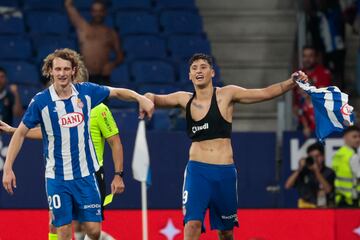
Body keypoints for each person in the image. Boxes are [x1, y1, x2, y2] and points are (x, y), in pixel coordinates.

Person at [144, 53, 309, 240]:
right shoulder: (184, 99)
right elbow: (155, 98)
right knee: (192, 224)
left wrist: (291, 82)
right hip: (198, 172)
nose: (199, 70)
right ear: (189, 75)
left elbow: (264, 93)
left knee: (226, 232)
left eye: (203, 67)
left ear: (212, 72)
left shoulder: (226, 94)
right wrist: (146, 98)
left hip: (225, 173)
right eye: (194, 68)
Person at [2, 48, 153, 240]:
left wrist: (140, 98)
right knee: (63, 230)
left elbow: (117, 92)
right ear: (50, 71)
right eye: (57, 69)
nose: (62, 73)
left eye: (66, 69)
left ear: (73, 70)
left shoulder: (87, 92)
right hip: (57, 178)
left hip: (86, 176)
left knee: (93, 231)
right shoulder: (41, 101)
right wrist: (8, 168)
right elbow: (21, 133)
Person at [64, 0, 124, 85]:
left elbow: (120, 56)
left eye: (100, 11)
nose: (97, 14)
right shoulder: (83, 28)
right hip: (84, 77)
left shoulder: (111, 33)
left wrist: (112, 65)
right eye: (95, 11)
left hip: (102, 78)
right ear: (91, 12)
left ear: (104, 12)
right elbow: (68, 5)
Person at [293, 46, 332, 137]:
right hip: (303, 119)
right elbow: (295, 97)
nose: (307, 59)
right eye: (304, 56)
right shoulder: (297, 74)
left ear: (316, 57)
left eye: (310, 56)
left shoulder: (323, 73)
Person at [285, 142, 335, 208]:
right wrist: (299, 169)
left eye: (317, 156)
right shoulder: (303, 172)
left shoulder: (329, 172)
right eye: (312, 157)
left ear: (323, 157)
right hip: (305, 209)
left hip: (322, 209)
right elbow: (287, 185)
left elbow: (328, 190)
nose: (315, 159)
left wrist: (317, 172)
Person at [332, 126, 360, 208]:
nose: (358, 140)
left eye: (359, 137)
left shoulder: (338, 154)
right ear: (345, 137)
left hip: (340, 198)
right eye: (354, 137)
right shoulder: (353, 156)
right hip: (352, 200)